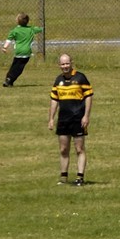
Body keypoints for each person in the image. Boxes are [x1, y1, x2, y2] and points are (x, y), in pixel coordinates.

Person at [49, 53, 93, 185]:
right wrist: (51, 118)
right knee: (63, 149)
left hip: (78, 119)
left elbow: (89, 97)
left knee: (79, 148)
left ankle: (80, 177)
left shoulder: (80, 78)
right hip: (63, 120)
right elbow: (54, 100)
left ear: (71, 63)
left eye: (67, 63)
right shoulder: (58, 80)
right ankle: (63, 177)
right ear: (59, 65)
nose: (65, 66)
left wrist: (86, 116)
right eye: (62, 64)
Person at [1, 11, 43, 87]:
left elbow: (9, 40)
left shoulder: (15, 30)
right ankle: (10, 80)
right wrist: (40, 28)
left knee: (14, 66)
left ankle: (9, 79)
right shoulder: (31, 29)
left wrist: (5, 47)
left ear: (17, 21)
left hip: (18, 52)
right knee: (19, 69)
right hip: (26, 52)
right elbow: (40, 29)